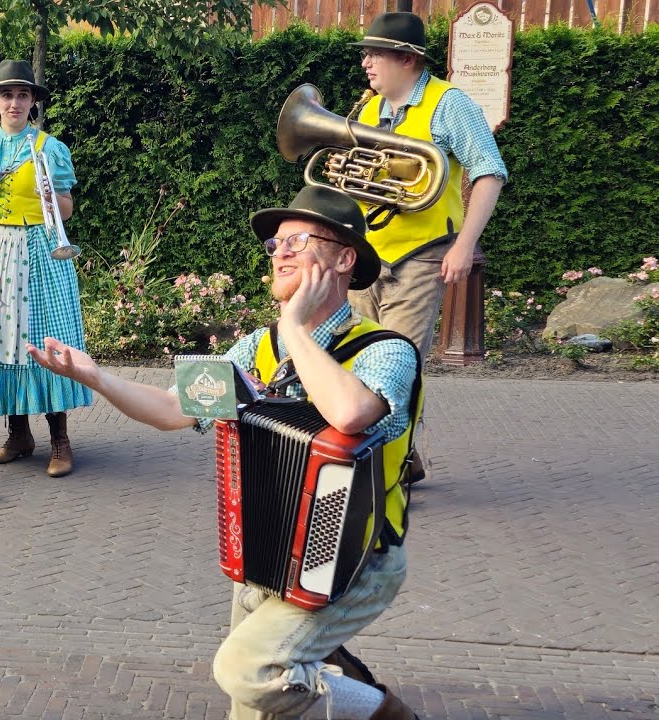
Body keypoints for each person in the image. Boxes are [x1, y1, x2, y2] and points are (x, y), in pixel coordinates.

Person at [30, 186, 424, 720]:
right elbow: (173, 410)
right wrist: (96, 376)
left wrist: (295, 328)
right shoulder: (255, 349)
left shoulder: (386, 350)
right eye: (276, 243)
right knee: (252, 701)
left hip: (354, 558)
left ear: (343, 258)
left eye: (298, 240)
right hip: (267, 547)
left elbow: (350, 414)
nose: (280, 252)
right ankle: (321, 670)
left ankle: (380, 711)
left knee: (248, 672)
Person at [0, 59, 92, 478]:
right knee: (1, 341)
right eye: (6, 95)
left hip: (39, 249)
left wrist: (48, 189)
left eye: (22, 95)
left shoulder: (49, 147)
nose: (14, 102)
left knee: (46, 337)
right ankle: (19, 434)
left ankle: (59, 439)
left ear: (32, 103)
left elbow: (67, 208)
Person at [347, 11, 508, 356]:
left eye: (375, 54)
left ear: (407, 58)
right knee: (356, 364)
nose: (365, 63)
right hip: (366, 255)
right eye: (365, 54)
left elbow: (490, 172)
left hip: (420, 256)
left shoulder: (450, 103)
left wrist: (465, 245)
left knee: (396, 365)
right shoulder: (368, 110)